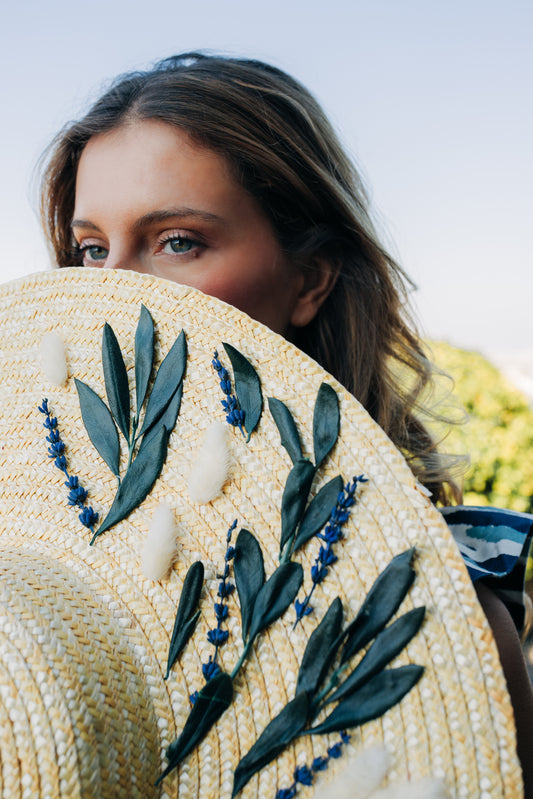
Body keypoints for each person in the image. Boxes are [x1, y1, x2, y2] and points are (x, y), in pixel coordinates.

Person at [39, 51, 533, 793]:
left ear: (308, 280)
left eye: (177, 241)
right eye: (91, 249)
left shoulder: (442, 623)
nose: (112, 295)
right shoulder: (34, 564)